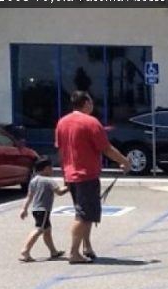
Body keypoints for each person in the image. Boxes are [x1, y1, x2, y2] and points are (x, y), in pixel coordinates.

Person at [55, 91, 130, 264]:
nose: (92, 104)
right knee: (83, 215)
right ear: (86, 103)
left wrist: (64, 173)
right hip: (86, 175)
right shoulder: (91, 123)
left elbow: (60, 150)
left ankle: (86, 246)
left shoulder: (62, 122)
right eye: (91, 101)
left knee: (87, 214)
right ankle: (74, 252)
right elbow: (107, 148)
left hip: (71, 174)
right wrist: (125, 161)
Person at [18, 157, 67, 262]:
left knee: (47, 231)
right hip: (43, 210)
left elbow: (29, 196)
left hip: (36, 209)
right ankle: (25, 250)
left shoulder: (34, 180)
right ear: (45, 169)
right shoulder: (49, 180)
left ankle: (53, 251)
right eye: (50, 168)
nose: (52, 170)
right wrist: (70, 186)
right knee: (39, 229)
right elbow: (59, 192)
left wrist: (24, 209)